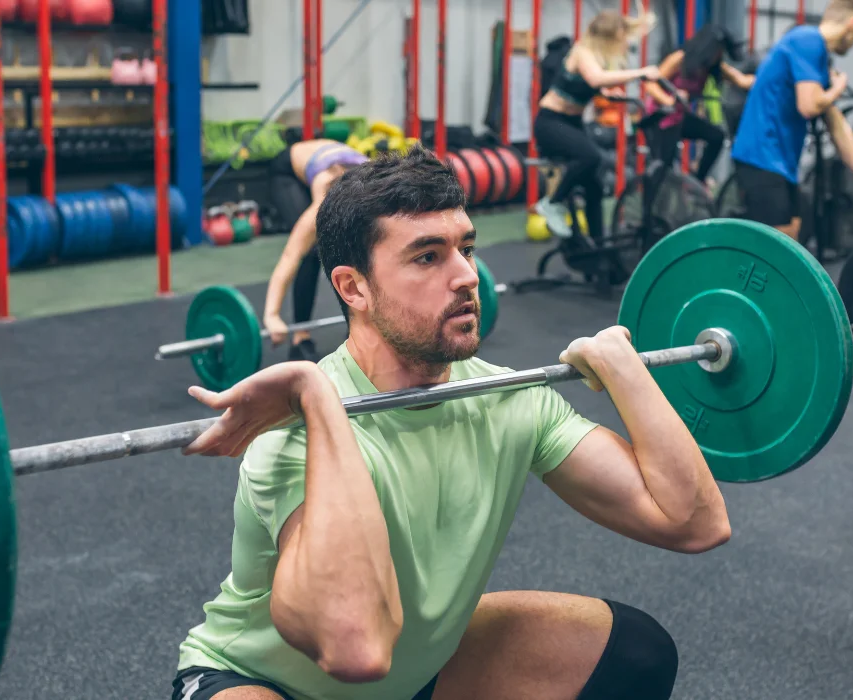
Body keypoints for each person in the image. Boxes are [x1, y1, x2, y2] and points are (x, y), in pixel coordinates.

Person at [170, 146, 731, 700]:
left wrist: (623, 369)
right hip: (262, 682)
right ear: (353, 287)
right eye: (427, 256)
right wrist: (316, 396)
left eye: (466, 247)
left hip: (411, 675)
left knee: (635, 651)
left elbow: (693, 522)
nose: (467, 275)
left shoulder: (511, 399)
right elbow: (355, 647)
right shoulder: (290, 438)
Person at [729, 0, 853, 241]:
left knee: (793, 239)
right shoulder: (807, 40)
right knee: (779, 249)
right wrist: (837, 89)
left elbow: (837, 126)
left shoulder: (817, 56)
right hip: (761, 157)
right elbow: (809, 106)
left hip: (781, 163)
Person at [533, 10, 664, 238]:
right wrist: (641, 73)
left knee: (595, 185)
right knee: (591, 157)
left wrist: (612, 94)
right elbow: (595, 78)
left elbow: (595, 85)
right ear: (608, 36)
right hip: (551, 123)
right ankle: (552, 203)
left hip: (572, 122)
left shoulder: (595, 58)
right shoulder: (582, 52)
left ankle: (598, 247)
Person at [264, 138, 368, 363]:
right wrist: (272, 316)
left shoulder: (376, 189)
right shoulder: (324, 195)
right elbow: (290, 255)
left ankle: (358, 328)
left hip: (331, 158)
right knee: (310, 252)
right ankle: (301, 337)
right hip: (289, 170)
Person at [645, 24, 754, 183]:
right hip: (661, 117)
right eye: (718, 50)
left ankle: (698, 180)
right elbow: (651, 83)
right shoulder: (680, 58)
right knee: (663, 166)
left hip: (680, 117)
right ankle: (650, 204)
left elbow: (742, 80)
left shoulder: (712, 67)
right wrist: (668, 99)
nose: (719, 55)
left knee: (716, 136)